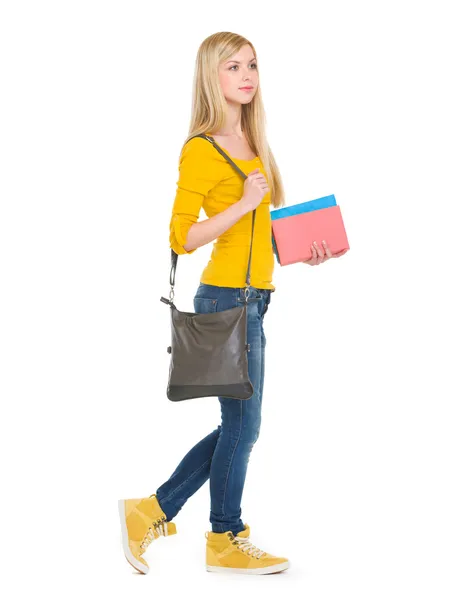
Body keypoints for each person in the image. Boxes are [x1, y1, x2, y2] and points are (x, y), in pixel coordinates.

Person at [118, 31, 345, 577]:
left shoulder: (254, 140)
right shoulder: (202, 148)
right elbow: (183, 237)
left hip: (257, 297)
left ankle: (153, 511)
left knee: (239, 426)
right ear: (210, 77)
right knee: (244, 427)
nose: (246, 76)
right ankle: (222, 534)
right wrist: (245, 200)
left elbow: (252, 233)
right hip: (226, 299)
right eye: (232, 67)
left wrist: (298, 251)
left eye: (252, 65)